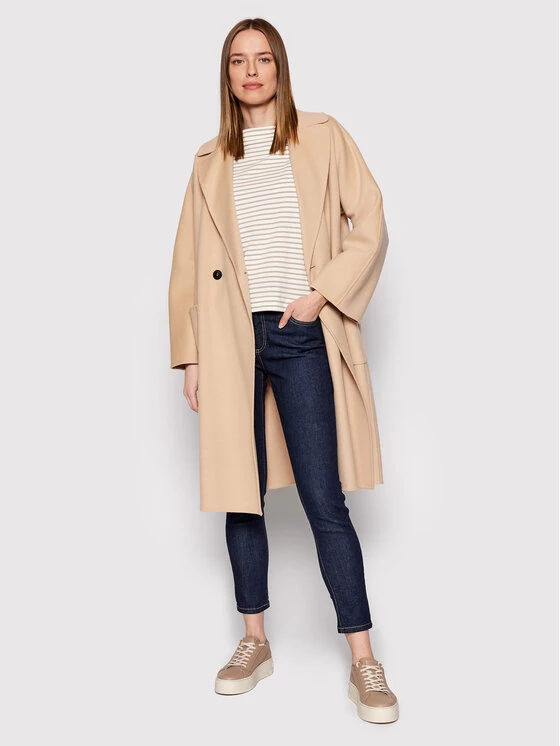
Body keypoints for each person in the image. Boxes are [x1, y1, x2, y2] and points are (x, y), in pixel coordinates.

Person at [168, 18, 398, 724]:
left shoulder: (322, 137)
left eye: (263, 58)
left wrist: (321, 293)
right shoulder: (210, 160)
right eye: (239, 60)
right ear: (227, 74)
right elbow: (186, 264)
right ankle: (255, 641)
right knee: (242, 495)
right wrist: (193, 354)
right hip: (232, 340)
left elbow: (371, 222)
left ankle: (364, 659)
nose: (251, 70)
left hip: (300, 333)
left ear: (279, 68)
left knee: (325, 499)